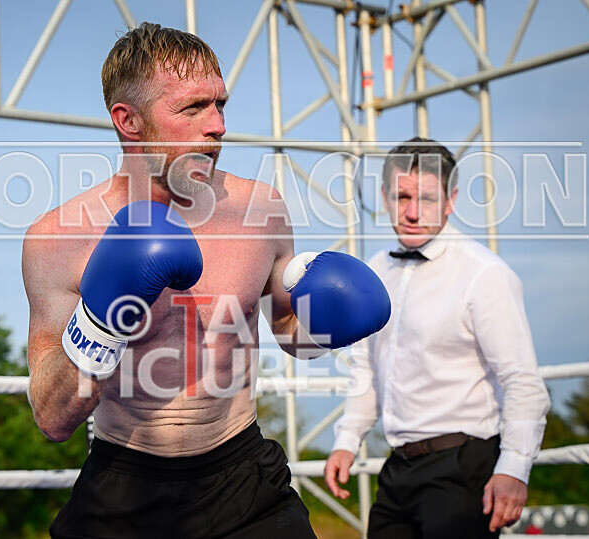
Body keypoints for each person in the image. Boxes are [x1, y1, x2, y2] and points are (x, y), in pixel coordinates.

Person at [22, 22, 390, 538]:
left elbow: (288, 332)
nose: (217, 125)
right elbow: (52, 416)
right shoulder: (60, 239)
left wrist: (327, 321)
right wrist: (100, 325)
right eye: (193, 108)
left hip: (243, 480)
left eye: (220, 105)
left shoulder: (258, 209)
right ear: (128, 121)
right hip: (124, 483)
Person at [324, 137, 551, 538]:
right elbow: (367, 366)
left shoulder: (485, 274)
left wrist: (514, 468)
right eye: (402, 196)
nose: (412, 212)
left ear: (451, 200)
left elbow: (522, 382)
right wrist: (347, 440)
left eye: (427, 199)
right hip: (397, 470)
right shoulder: (375, 270)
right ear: (384, 196)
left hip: (464, 470)